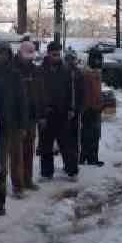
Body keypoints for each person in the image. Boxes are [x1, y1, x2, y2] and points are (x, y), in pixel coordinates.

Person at [0, 41, 29, 205]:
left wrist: (23, 125)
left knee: (16, 159)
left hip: (13, 123)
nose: (1, 56)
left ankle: (18, 187)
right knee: (0, 165)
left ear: (9, 55)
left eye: (4, 53)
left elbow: (22, 101)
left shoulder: (15, 74)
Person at [40, 41, 78, 181]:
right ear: (48, 54)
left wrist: (71, 108)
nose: (56, 57)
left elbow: (71, 91)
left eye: (58, 54)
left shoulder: (66, 69)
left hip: (63, 112)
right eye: (54, 54)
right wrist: (41, 113)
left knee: (67, 144)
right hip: (46, 112)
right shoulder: (41, 70)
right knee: (46, 145)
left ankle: (72, 171)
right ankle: (46, 173)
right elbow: (38, 93)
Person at [16, 40, 43, 191]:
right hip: (18, 118)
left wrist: (39, 111)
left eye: (31, 55)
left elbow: (39, 92)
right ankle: (18, 182)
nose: (29, 58)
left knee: (28, 150)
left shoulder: (35, 70)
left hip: (31, 116)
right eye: (27, 55)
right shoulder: (14, 69)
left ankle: (28, 179)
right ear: (20, 53)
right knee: (17, 152)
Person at [79, 49, 105, 166]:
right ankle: (84, 158)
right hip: (88, 109)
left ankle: (92, 158)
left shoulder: (97, 73)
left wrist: (100, 104)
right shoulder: (86, 74)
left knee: (95, 134)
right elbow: (86, 92)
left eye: (100, 59)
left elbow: (97, 92)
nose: (98, 61)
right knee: (87, 135)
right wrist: (87, 106)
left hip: (96, 109)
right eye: (96, 59)